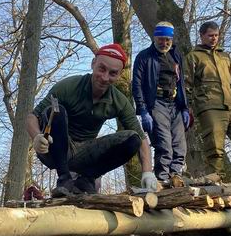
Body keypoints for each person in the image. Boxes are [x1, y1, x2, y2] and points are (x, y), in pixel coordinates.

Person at [27, 43, 158, 197]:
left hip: (86, 152)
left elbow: (141, 138)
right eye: (101, 69)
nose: (104, 77)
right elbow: (32, 116)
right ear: (93, 63)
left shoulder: (119, 101)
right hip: (55, 150)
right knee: (55, 111)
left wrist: (147, 172)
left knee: (133, 139)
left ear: (120, 74)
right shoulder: (68, 87)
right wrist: (36, 136)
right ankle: (64, 179)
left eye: (113, 73)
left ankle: (87, 179)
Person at [185, 21, 231, 184]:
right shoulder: (193, 57)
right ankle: (218, 182)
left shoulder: (225, 56)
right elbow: (186, 84)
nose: (213, 38)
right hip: (210, 106)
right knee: (215, 147)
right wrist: (187, 107)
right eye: (210, 35)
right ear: (202, 35)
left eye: (216, 35)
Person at [132, 21, 191, 187]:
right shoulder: (144, 57)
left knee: (180, 146)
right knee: (164, 145)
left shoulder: (176, 56)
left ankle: (176, 176)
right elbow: (136, 85)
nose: (164, 43)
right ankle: (162, 179)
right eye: (160, 39)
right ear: (154, 38)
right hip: (156, 102)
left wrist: (185, 108)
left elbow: (181, 83)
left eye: (167, 40)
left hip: (175, 103)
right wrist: (143, 110)